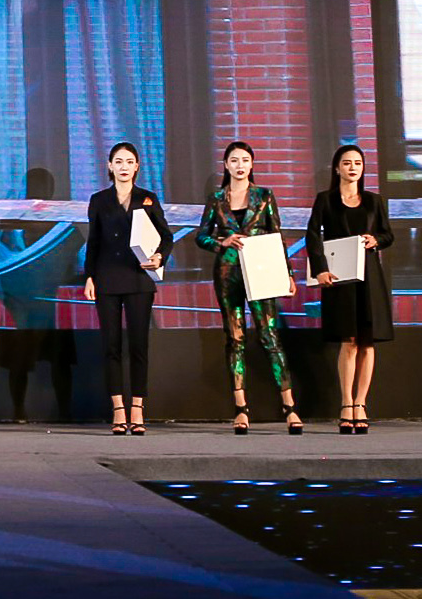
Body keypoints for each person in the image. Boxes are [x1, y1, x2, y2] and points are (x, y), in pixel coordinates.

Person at [193, 142, 302, 434]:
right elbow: (201, 236)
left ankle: (289, 407)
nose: (239, 165)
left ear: (252, 164)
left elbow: (276, 234)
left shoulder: (264, 195)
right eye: (234, 160)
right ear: (226, 165)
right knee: (235, 338)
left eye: (244, 160)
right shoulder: (216, 199)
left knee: (269, 335)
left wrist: (287, 274)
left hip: (261, 267)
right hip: (228, 272)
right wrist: (222, 242)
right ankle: (241, 409)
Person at [83, 142, 169, 436]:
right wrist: (90, 276)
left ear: (137, 166)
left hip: (138, 279)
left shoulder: (147, 198)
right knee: (111, 346)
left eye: (129, 161)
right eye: (118, 161)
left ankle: (138, 408)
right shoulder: (99, 200)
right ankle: (118, 409)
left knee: (138, 345)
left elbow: (166, 236)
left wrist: (159, 257)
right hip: (107, 278)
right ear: (110, 166)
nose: (123, 166)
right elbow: (93, 241)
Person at [308, 144, 392, 434]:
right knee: (349, 340)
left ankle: (361, 404)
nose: (352, 167)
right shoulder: (326, 200)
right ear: (337, 168)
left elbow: (387, 234)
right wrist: (319, 268)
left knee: (368, 342)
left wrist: (376, 240)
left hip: (369, 275)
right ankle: (346, 403)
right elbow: (312, 235)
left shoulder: (373, 200)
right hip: (339, 275)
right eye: (347, 163)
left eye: (357, 163)